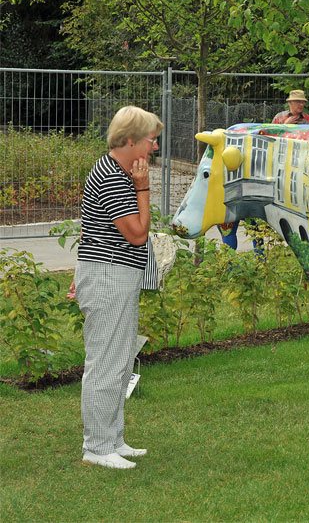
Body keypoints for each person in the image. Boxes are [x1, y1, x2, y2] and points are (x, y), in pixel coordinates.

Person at [72, 105, 163, 470]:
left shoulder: (117, 172)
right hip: (108, 276)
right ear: (129, 141)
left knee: (121, 359)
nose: (154, 147)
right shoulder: (113, 176)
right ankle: (96, 447)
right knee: (107, 361)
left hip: (113, 274)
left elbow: (90, 229)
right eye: (150, 139)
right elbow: (138, 235)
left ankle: (113, 439)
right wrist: (143, 187)